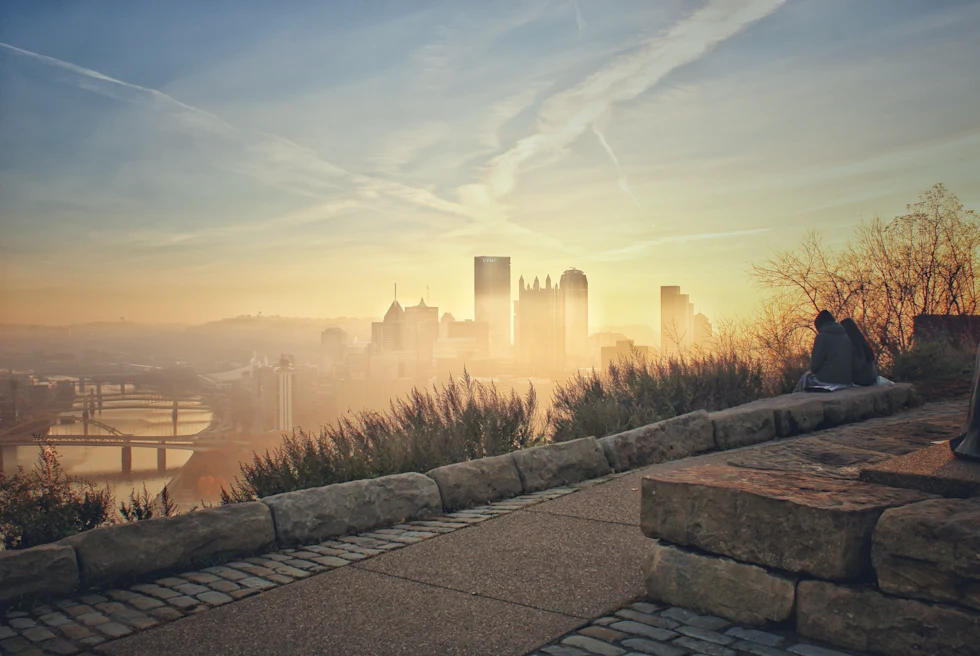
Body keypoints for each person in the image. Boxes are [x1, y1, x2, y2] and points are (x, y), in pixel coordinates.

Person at [795, 310, 853, 392]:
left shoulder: (822, 337)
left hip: (829, 380)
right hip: (846, 380)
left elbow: (814, 366)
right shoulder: (845, 335)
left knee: (805, 377)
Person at [841, 318, 878, 386]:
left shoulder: (853, 345)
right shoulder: (863, 342)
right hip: (872, 377)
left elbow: (857, 366)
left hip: (861, 380)